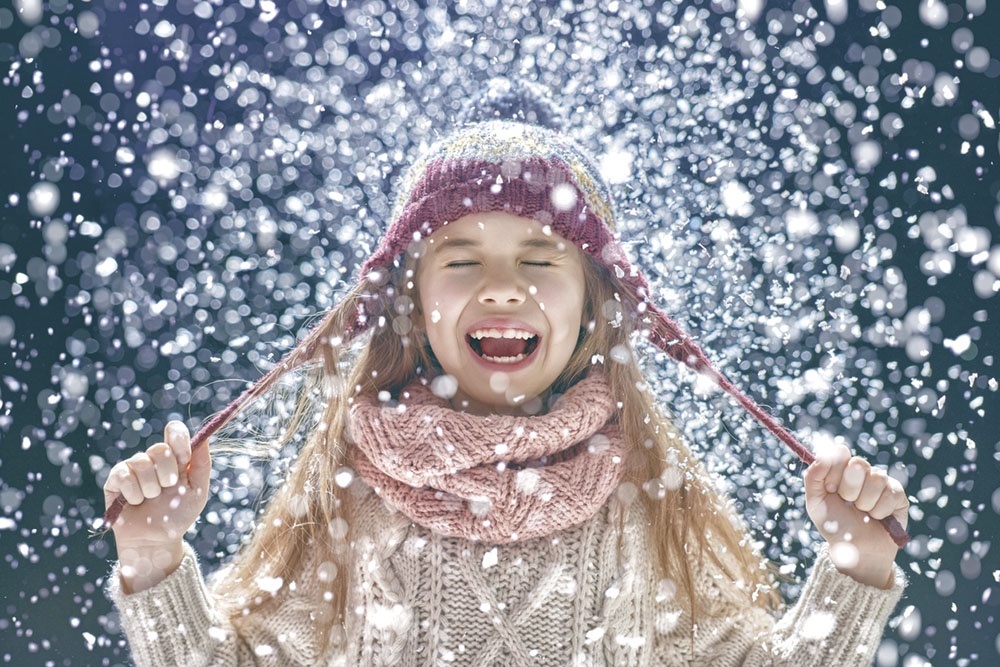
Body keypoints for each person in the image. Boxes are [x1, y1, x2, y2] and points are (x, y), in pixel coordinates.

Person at [104, 80, 909, 666]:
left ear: (594, 305)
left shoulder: (646, 502)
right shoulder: (347, 497)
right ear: (413, 303)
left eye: (538, 257)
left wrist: (857, 565)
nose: (502, 286)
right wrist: (153, 555)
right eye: (461, 258)